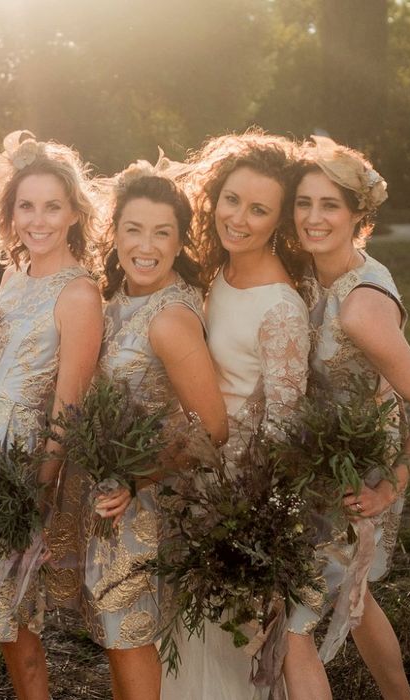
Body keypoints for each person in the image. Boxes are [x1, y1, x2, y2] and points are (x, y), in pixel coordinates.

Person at [283, 136, 410, 700]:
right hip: (314, 454)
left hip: (356, 468)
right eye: (304, 203)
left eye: (329, 205)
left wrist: (387, 490)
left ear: (359, 214)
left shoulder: (362, 306)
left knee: (294, 618)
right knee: (353, 597)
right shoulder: (309, 272)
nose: (313, 217)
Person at [62, 158, 228, 700]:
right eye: (133, 230)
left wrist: (139, 480)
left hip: (146, 508)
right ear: (115, 236)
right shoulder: (117, 301)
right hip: (109, 495)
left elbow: (214, 429)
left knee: (130, 637)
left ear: (181, 242)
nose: (146, 245)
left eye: (162, 233)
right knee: (116, 638)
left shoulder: (169, 319)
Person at [161, 130, 311, 700]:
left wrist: (249, 525)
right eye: (231, 200)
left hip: (236, 501)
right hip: (193, 477)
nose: (239, 218)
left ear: (279, 221)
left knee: (225, 651)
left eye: (258, 210)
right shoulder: (215, 274)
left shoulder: (280, 308)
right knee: (184, 644)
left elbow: (283, 429)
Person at [0, 131, 103, 700]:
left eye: (52, 206)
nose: (38, 220)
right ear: (10, 213)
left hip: (17, 460)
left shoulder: (79, 295)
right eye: (26, 206)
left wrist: (35, 496)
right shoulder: (15, 275)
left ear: (73, 212)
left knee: (13, 620)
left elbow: (69, 406)